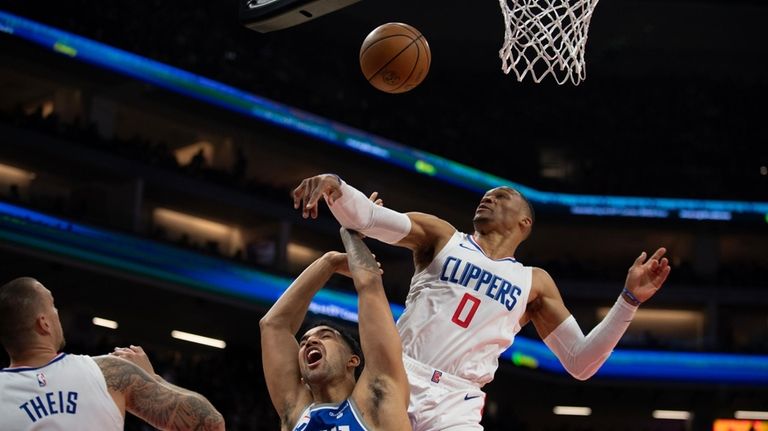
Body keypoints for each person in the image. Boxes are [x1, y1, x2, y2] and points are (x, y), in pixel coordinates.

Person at [293, 174, 672, 431]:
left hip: (458, 400)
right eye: (486, 195)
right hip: (397, 376)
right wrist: (335, 184)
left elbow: (582, 362)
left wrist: (629, 300)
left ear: (525, 223)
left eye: (502, 197)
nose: (488, 198)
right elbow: (368, 217)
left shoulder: (534, 283)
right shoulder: (442, 236)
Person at [0, 277, 225, 431]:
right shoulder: (108, 372)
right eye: (53, 306)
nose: (58, 313)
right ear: (44, 324)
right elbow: (209, 422)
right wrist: (153, 379)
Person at [260, 228, 411, 431]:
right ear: (302, 375)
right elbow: (273, 325)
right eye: (303, 342)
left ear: (353, 360)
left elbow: (370, 284)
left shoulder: (378, 397)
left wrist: (350, 232)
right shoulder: (297, 413)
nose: (310, 342)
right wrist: (328, 262)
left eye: (326, 336)